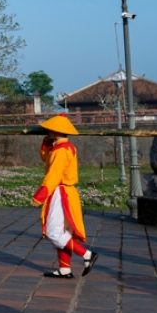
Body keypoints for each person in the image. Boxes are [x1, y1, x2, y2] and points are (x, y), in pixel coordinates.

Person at [31, 114, 97, 279]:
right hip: (65, 192)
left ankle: (87, 254)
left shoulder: (61, 150)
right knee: (63, 232)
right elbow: (46, 159)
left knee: (54, 232)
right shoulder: (64, 147)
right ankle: (65, 269)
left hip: (60, 192)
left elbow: (53, 175)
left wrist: (40, 195)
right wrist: (47, 142)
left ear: (54, 131)